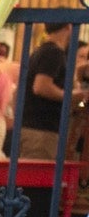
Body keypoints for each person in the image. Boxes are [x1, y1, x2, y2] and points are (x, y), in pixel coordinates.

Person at [17, 21, 84, 161]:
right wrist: (70, 96)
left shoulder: (42, 50)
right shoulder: (53, 52)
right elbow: (41, 86)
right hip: (42, 128)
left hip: (36, 126)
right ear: (68, 26)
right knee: (37, 176)